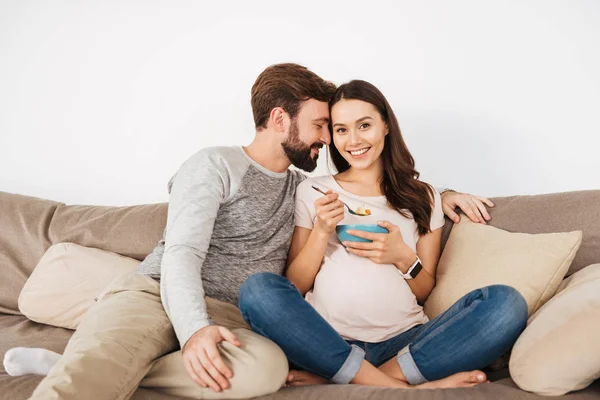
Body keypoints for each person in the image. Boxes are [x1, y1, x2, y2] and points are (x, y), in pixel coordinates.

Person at [4, 65, 494, 399]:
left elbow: (383, 191)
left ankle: (94, 365)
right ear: (280, 119)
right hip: (160, 295)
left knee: (267, 372)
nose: (332, 141)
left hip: (238, 317)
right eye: (324, 126)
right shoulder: (214, 165)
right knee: (96, 371)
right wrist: (193, 330)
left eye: (342, 128)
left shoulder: (304, 186)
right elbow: (182, 255)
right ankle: (88, 365)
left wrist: (438, 196)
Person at [238, 80, 528, 389]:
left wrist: (403, 257)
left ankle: (353, 378)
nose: (353, 140)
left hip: (404, 344)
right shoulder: (314, 191)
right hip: (326, 339)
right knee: (258, 290)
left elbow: (423, 290)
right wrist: (322, 231)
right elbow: (294, 285)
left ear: (386, 126)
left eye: (364, 125)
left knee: (505, 303)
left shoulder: (425, 197)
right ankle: (400, 386)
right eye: (341, 130)